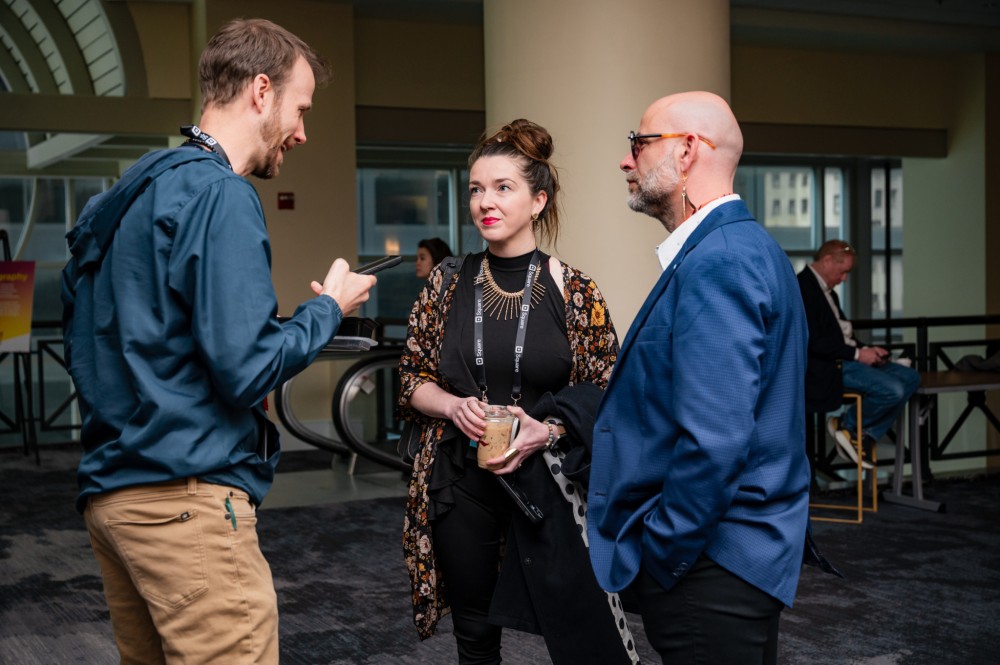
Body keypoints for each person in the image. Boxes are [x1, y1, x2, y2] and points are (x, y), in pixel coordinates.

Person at [60, 18, 376, 664]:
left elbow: (85, 340)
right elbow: (247, 367)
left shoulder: (128, 194)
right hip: (186, 504)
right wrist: (327, 309)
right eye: (301, 109)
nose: (303, 132)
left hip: (112, 501)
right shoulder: (221, 194)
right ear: (262, 92)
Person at [398, 119, 636, 665]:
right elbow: (411, 378)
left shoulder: (574, 290)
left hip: (550, 482)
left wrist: (547, 430)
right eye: (477, 189)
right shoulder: (447, 282)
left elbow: (607, 389)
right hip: (460, 479)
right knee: (475, 635)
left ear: (538, 200)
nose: (486, 201)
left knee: (579, 628)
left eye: (503, 188)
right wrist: (453, 405)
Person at [587, 92, 811, 664]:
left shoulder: (722, 258)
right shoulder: (744, 246)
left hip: (711, 563)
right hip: (732, 557)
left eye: (639, 144)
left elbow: (715, 441)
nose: (625, 159)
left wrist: (665, 552)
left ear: (687, 151)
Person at [798, 239, 920, 469]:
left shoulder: (826, 291)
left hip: (845, 358)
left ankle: (861, 434)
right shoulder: (803, 288)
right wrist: (857, 354)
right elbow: (813, 341)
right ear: (827, 261)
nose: (844, 279)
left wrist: (866, 350)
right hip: (827, 367)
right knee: (893, 390)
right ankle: (848, 425)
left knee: (911, 377)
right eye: (843, 272)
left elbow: (839, 335)